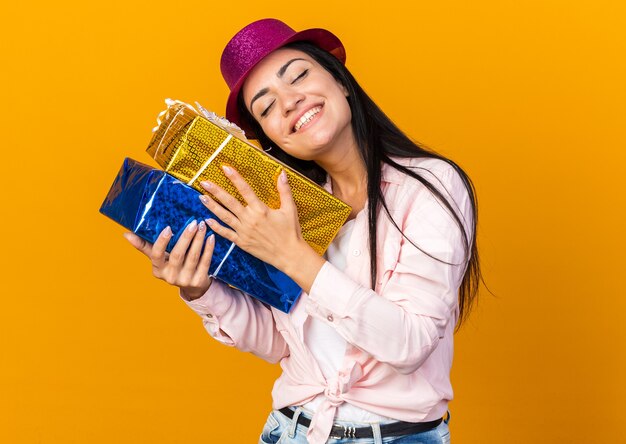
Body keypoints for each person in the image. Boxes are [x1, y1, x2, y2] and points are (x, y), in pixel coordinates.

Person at [124, 18, 481, 444]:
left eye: (298, 76)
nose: (289, 102)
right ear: (272, 139)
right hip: (289, 431)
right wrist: (201, 291)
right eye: (267, 106)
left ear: (341, 81)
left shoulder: (430, 186)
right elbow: (281, 344)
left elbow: (410, 343)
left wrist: (290, 254)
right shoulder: (288, 207)